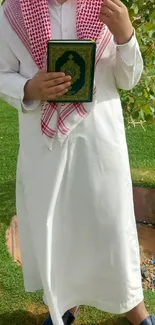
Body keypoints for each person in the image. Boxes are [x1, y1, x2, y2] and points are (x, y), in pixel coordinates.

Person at [0, 0, 154, 325]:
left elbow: (128, 79)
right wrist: (27, 87)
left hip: (99, 140)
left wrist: (125, 35)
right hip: (45, 146)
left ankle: (135, 310)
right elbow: (1, 73)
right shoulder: (15, 10)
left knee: (110, 221)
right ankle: (65, 306)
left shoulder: (107, 9)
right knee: (58, 224)